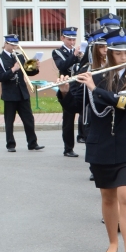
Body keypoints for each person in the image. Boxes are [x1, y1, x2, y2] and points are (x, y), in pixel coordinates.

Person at [77, 29, 126, 252]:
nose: (124, 57)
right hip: (101, 145)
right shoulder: (95, 75)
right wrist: (64, 90)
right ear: (109, 54)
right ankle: (112, 242)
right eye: (118, 53)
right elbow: (76, 106)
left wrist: (95, 89)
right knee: (108, 198)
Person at [0, 34, 43, 153]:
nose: (14, 47)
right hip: (9, 94)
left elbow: (28, 73)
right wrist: (13, 70)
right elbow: (0, 77)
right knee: (9, 121)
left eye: (16, 45)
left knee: (29, 119)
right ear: (6, 43)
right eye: (12, 45)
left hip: (22, 93)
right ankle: (10, 144)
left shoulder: (20, 56)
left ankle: (32, 143)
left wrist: (35, 67)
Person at [52, 27, 83, 157]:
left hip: (79, 86)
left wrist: (82, 57)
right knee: (68, 120)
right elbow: (62, 66)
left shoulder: (78, 52)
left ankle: (83, 137)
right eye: (69, 39)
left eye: (74, 39)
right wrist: (74, 55)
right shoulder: (58, 52)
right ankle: (68, 148)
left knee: (85, 114)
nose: (72, 42)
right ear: (62, 38)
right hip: (67, 88)